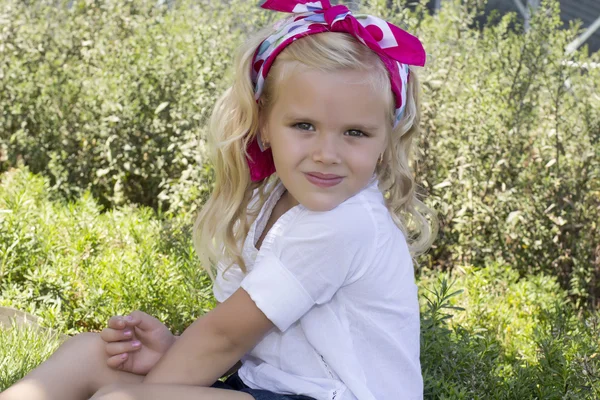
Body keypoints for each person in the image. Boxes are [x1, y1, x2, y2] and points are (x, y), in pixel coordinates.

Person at [0, 1, 437, 399]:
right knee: (89, 353)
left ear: (386, 140)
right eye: (304, 125)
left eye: (355, 133)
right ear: (264, 124)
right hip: (272, 386)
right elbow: (241, 338)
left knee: (122, 398)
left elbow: (224, 337)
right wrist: (171, 353)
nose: (327, 153)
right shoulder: (272, 197)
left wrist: (153, 389)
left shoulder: (346, 222)